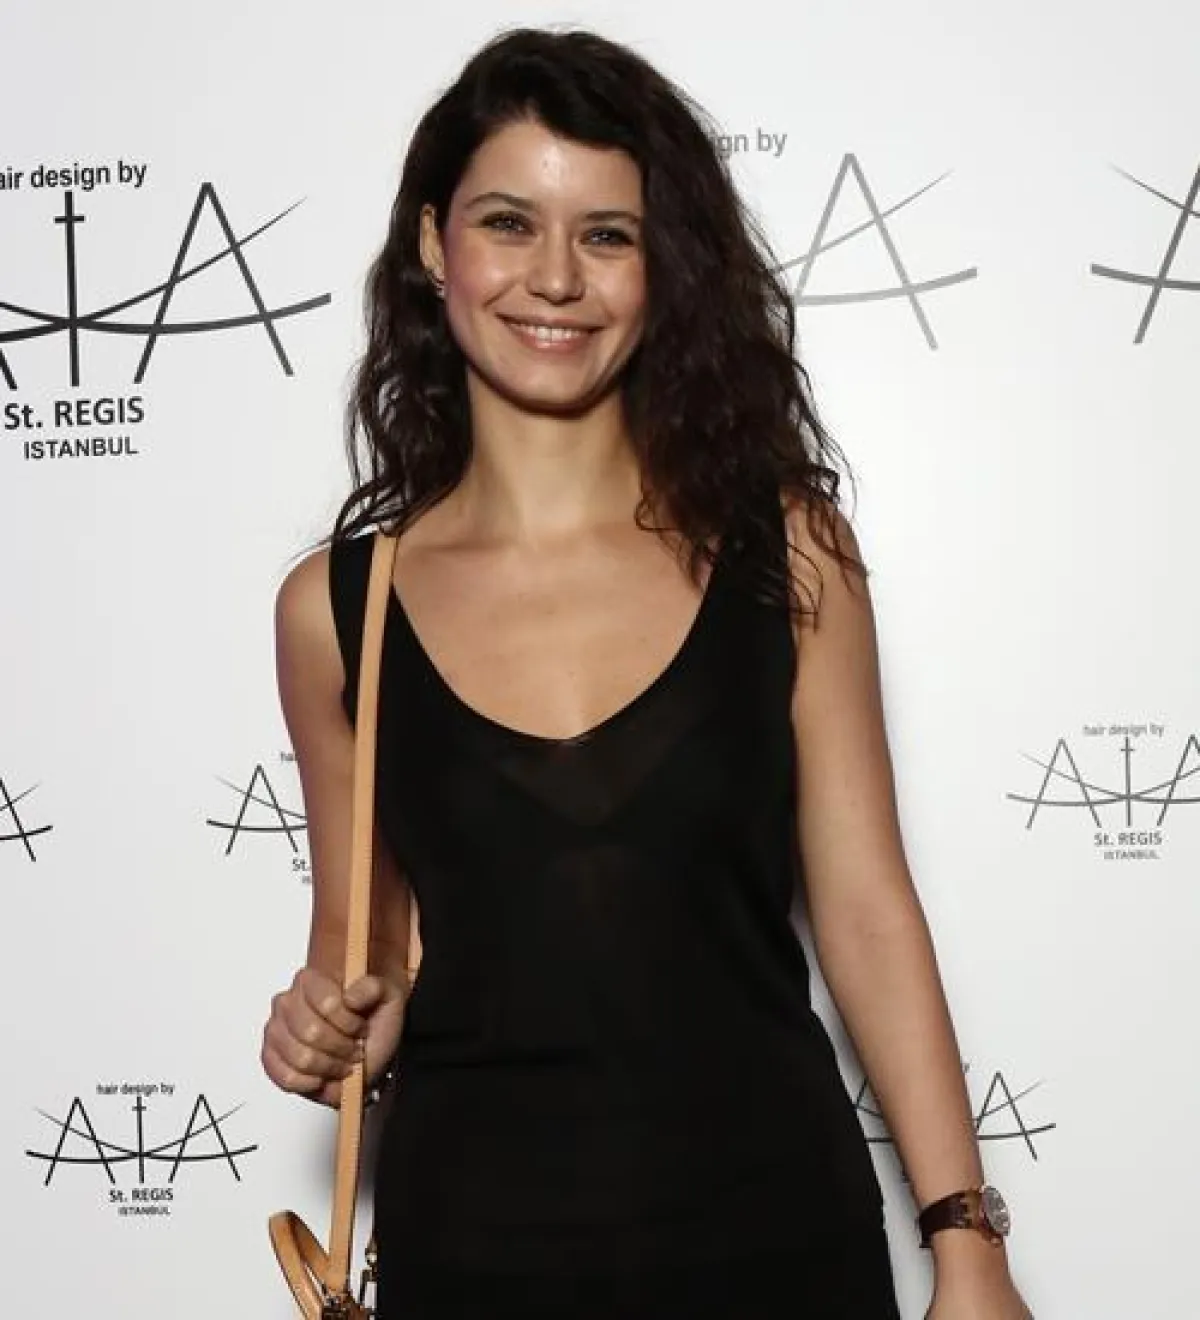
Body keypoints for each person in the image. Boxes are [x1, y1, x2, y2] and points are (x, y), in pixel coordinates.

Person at [261, 26, 1032, 1320]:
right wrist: (332, 1026)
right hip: (477, 1253)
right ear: (434, 244)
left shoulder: (788, 552)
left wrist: (967, 1245)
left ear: (661, 266)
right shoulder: (338, 610)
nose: (556, 278)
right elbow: (369, 952)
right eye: (509, 223)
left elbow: (866, 910)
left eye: (607, 235)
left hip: (777, 1238)